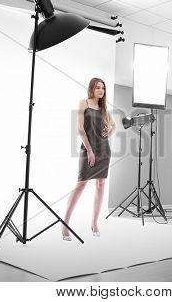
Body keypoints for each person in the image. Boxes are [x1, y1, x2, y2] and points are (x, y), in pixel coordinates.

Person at [62, 78, 116, 240]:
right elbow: (80, 128)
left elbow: (114, 125)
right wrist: (90, 150)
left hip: (104, 150)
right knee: (80, 184)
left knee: (100, 185)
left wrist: (110, 131)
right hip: (88, 149)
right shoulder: (83, 103)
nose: (101, 91)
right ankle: (65, 224)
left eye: (103, 88)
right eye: (98, 87)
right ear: (92, 89)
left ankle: (94, 223)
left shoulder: (103, 108)